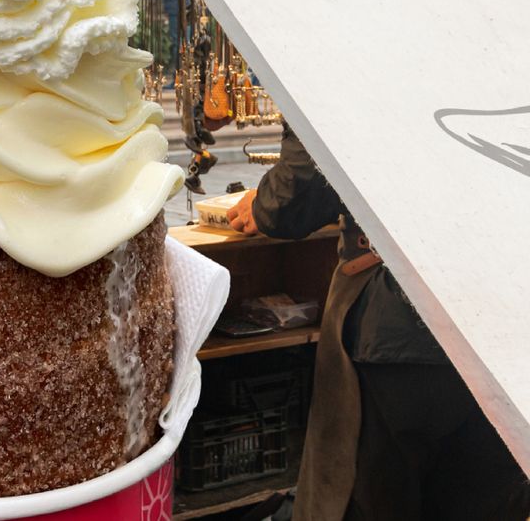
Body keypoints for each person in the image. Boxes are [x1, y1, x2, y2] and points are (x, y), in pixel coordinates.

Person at [227, 124, 530, 521]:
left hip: (399, 326)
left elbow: (295, 199)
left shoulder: (344, 62)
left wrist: (263, 203)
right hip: (503, 315)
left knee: (377, 499)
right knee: (486, 499)